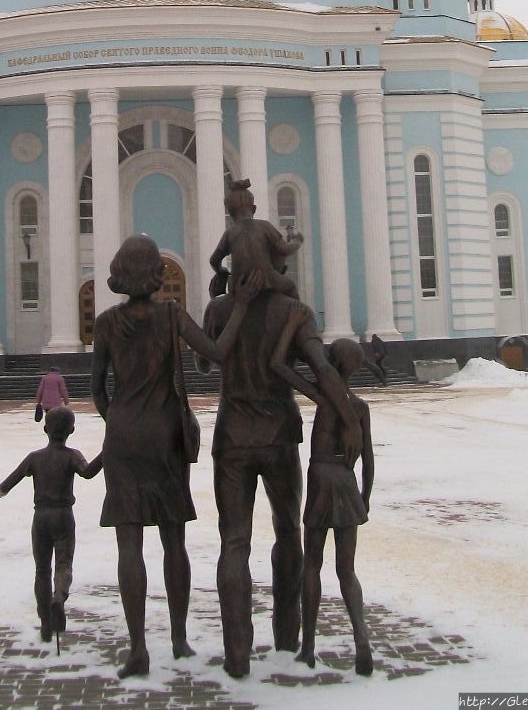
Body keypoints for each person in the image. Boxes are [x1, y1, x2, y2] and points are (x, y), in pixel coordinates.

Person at [91, 234, 260, 679]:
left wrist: (121, 420)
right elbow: (218, 352)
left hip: (123, 437)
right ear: (158, 273)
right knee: (173, 541)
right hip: (165, 436)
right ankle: (179, 637)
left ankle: (137, 650)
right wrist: (238, 304)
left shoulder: (106, 322)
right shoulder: (171, 314)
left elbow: (96, 392)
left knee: (129, 544)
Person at [199, 280, 363, 679]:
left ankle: (237, 655)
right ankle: (289, 638)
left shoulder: (220, 308)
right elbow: (321, 367)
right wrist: (350, 417)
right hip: (279, 437)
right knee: (288, 532)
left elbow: (204, 364)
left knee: (234, 542)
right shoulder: (294, 310)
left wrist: (217, 305)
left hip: (233, 436)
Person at [270, 334, 374, 673]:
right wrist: (365, 498)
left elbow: (277, 366)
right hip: (347, 485)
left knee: (312, 564)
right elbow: (369, 461)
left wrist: (291, 330)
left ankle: (309, 647)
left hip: (321, 481)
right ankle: (361, 639)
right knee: (347, 570)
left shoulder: (324, 396)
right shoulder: (359, 407)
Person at [0, 406, 102, 645]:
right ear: (72, 430)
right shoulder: (72, 455)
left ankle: (45, 624)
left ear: (45, 429)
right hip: (63, 515)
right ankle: (59, 598)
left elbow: (10, 481)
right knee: (64, 564)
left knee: (42, 570)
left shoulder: (35, 458)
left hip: (40, 517)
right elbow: (88, 472)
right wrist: (107, 452)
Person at [208, 178, 302, 299]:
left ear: (230, 212)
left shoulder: (229, 233)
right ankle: (297, 315)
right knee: (291, 288)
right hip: (267, 279)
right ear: (254, 209)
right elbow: (284, 250)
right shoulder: (264, 226)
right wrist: (297, 242)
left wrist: (221, 270)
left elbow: (213, 260)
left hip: (238, 284)